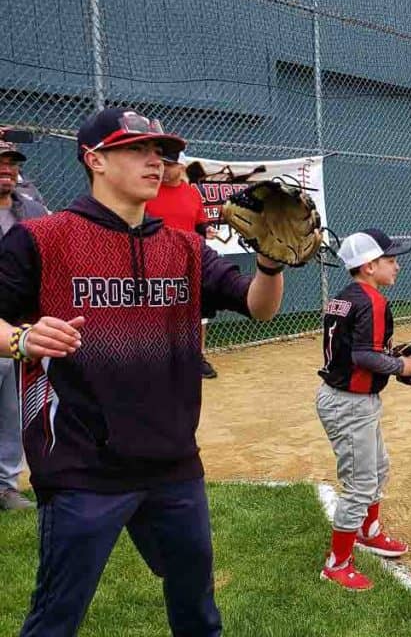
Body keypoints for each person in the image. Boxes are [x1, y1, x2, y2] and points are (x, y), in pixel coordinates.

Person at [0, 107, 287, 636]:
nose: (156, 161)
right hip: (82, 469)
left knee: (198, 614)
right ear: (95, 160)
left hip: (174, 465)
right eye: (136, 149)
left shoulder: (183, 246)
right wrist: (21, 338)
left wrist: (270, 264)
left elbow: (258, 306)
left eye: (160, 152)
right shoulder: (43, 239)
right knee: (56, 620)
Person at [316, 228, 411, 591]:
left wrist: (393, 357)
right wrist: (401, 366)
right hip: (349, 405)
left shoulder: (344, 297)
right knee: (361, 483)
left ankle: (368, 530)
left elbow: (355, 350)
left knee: (378, 468)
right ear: (368, 266)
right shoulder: (373, 301)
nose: (397, 267)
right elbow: (363, 356)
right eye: (390, 261)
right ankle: (337, 563)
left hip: (349, 399)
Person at [0, 139, 48, 511]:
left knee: (12, 408)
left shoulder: (30, 207)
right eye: (0, 161)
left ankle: (5, 484)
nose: (7, 168)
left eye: (12, 162)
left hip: (17, 324)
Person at [145, 151, 220, 379]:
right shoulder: (149, 191)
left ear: (181, 167)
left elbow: (199, 223)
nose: (164, 170)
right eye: (161, 164)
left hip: (189, 260)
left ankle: (197, 356)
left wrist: (206, 229)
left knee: (198, 311)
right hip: (156, 261)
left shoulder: (191, 194)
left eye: (169, 165)